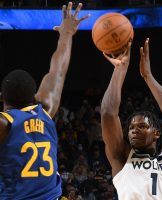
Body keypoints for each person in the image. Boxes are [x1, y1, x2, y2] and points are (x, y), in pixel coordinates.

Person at [0, 2, 89, 199]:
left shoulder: (4, 123)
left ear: (3, 97)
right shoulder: (46, 110)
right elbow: (58, 71)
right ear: (34, 96)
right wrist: (66, 34)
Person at [101, 38, 162, 199]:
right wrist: (120, 70)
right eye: (132, 128)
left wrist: (148, 77)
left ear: (156, 133)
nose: (134, 131)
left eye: (142, 126)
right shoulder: (121, 160)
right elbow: (108, 114)